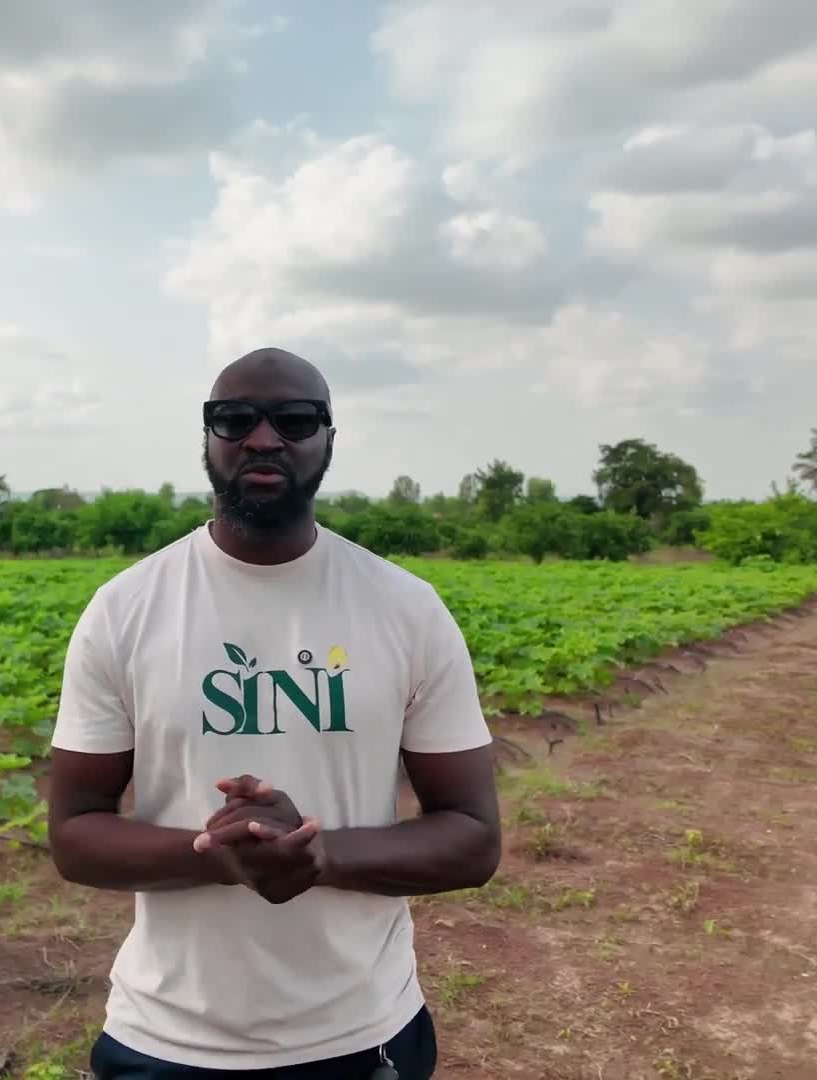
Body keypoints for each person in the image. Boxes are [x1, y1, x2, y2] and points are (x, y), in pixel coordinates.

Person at [47, 347, 503, 1079]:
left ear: (327, 439)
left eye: (294, 420)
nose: (264, 438)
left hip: (361, 1036)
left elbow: (474, 839)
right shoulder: (125, 610)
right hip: (165, 1039)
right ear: (208, 439)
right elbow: (73, 835)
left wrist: (318, 858)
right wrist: (222, 858)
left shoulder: (406, 609)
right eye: (235, 419)